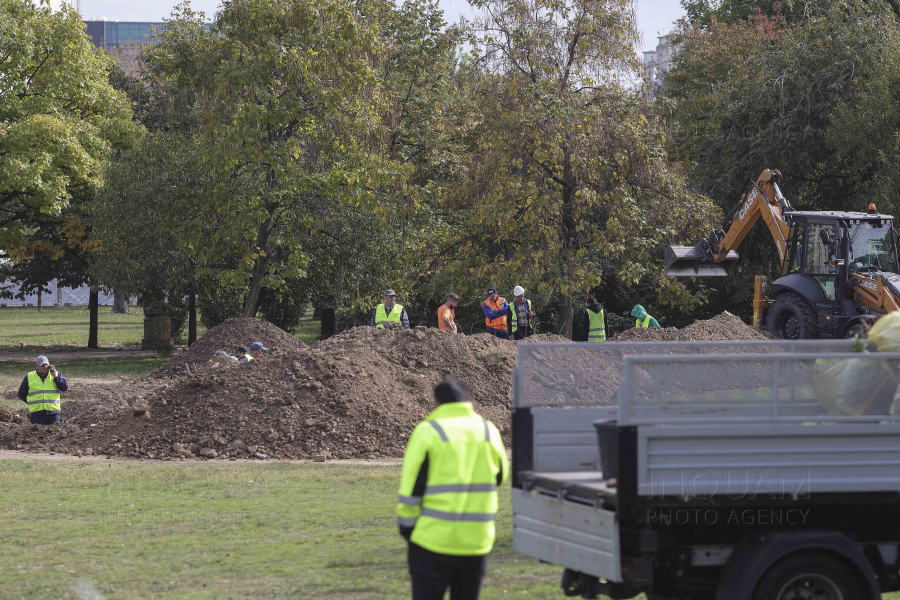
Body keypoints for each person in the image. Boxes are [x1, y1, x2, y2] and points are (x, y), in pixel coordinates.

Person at [396, 379, 508, 600]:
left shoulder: (428, 431)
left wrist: (407, 528)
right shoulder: (488, 430)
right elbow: (500, 476)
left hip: (433, 540)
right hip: (477, 541)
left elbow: (412, 487)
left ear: (436, 402)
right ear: (466, 400)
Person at [17, 356, 68, 424]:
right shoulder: (29, 376)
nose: (45, 367)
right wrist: (32, 402)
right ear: (37, 366)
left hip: (53, 413)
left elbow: (64, 388)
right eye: (42, 365)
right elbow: (21, 394)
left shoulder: (56, 374)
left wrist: (56, 377)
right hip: (37, 414)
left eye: (46, 364)